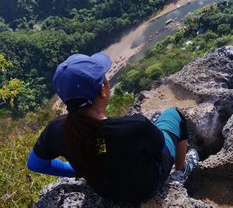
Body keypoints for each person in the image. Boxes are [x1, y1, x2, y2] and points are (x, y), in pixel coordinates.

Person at [26, 52, 198, 205]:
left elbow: (35, 164)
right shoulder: (134, 127)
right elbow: (159, 151)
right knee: (174, 115)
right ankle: (180, 171)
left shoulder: (56, 130)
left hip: (105, 191)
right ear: (103, 89)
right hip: (148, 188)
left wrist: (78, 171)